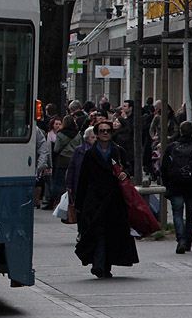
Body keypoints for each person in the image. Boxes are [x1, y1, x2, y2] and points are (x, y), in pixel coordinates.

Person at [74, 120, 138, 279]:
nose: (105, 133)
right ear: (96, 134)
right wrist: (79, 203)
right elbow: (83, 178)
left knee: (112, 233)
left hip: (114, 200)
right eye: (102, 131)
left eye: (108, 130)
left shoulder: (118, 151)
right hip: (95, 200)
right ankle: (98, 264)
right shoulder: (90, 154)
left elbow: (127, 167)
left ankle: (105, 265)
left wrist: (125, 173)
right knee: (97, 232)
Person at [160, 121, 192, 254]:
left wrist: (166, 183)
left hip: (175, 185)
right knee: (191, 214)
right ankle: (188, 241)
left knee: (177, 213)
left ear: (180, 131)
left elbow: (164, 167)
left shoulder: (172, 147)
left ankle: (180, 239)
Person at [48, 116, 82, 209]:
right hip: (74, 159)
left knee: (60, 180)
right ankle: (71, 201)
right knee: (72, 180)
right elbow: (80, 147)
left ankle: (59, 200)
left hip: (62, 159)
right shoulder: (78, 134)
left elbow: (56, 148)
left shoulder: (60, 134)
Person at [34, 127, 51, 209]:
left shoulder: (36, 130)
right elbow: (43, 148)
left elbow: (43, 147)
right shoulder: (37, 130)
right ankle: (36, 200)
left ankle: (36, 200)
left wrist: (40, 165)